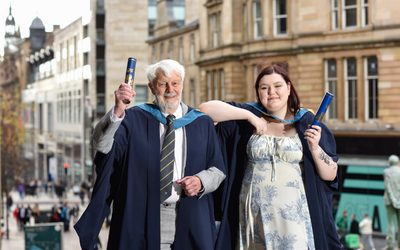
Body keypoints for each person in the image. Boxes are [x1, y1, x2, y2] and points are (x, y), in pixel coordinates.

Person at [74, 59, 226, 250]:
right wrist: (118, 110)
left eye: (175, 83)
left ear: (182, 85)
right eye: (162, 84)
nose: (170, 89)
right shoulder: (133, 119)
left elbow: (218, 169)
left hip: (192, 218)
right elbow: (100, 145)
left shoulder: (200, 122)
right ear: (152, 88)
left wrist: (201, 181)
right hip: (143, 219)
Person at [199, 64, 341, 249]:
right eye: (264, 88)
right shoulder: (246, 118)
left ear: (289, 88)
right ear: (258, 92)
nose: (271, 92)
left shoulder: (307, 121)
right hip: (252, 215)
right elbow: (205, 109)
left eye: (277, 86)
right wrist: (249, 116)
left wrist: (314, 147)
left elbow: (330, 174)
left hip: (294, 218)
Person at [383, 154, 400, 250]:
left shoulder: (386, 172)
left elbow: (388, 187)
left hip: (389, 201)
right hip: (399, 201)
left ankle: (390, 246)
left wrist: (393, 200)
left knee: (391, 224)